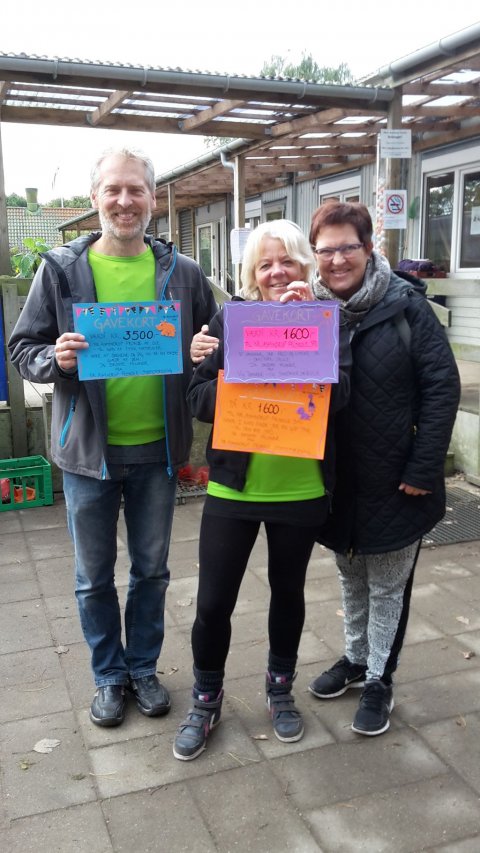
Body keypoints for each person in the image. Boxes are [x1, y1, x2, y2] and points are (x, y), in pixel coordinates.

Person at [8, 147, 218, 727]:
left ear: (153, 199)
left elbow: (215, 336)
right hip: (88, 455)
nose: (125, 201)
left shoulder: (184, 273)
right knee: (92, 578)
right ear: (95, 197)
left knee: (151, 571)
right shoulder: (61, 270)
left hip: (158, 452)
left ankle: (143, 668)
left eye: (136, 190)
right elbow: (22, 348)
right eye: (113, 190)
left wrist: (207, 349)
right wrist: (55, 360)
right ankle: (108, 674)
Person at [173, 219, 351, 760]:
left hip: (299, 488)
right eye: (265, 263)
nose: (277, 272)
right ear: (252, 271)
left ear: (305, 265)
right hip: (235, 489)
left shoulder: (327, 319)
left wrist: (312, 335)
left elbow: (343, 399)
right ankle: (206, 698)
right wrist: (236, 379)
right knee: (213, 603)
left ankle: (279, 689)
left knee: (287, 593)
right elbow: (196, 397)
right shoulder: (230, 320)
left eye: (287, 261)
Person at [307, 201, 461, 736]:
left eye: (348, 247)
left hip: (397, 478)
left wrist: (424, 468)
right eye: (325, 250)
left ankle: (379, 678)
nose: (337, 260)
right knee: (351, 575)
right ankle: (355, 659)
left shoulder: (405, 307)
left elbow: (442, 388)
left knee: (388, 586)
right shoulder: (309, 313)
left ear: (369, 249)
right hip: (337, 480)